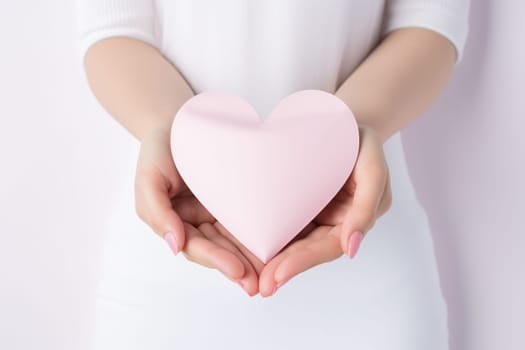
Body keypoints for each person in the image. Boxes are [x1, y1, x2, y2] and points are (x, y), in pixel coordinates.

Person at [76, 0, 470, 349]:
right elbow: (114, 28)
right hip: (165, 272)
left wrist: (345, 133)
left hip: (365, 259)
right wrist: (177, 135)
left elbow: (429, 19)